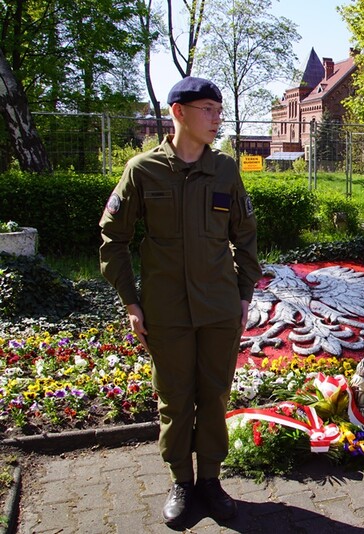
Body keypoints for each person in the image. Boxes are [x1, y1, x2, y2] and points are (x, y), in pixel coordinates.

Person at [99, 77, 261, 527]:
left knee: (214, 396)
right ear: (179, 113)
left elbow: (245, 236)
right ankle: (181, 482)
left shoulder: (226, 170)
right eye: (208, 109)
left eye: (218, 109)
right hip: (166, 311)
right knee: (174, 400)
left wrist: (244, 294)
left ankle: (210, 479)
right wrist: (131, 302)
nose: (217, 118)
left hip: (218, 309)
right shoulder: (143, 170)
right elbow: (113, 239)